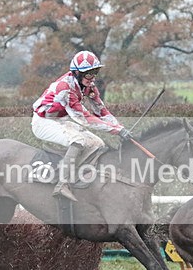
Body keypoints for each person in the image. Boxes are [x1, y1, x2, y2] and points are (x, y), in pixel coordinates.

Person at [32, 50, 132, 202]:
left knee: (98, 143)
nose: (92, 77)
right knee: (78, 141)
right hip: (43, 122)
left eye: (95, 72)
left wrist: (120, 127)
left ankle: (81, 176)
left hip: (59, 120)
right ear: (77, 73)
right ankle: (62, 184)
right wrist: (117, 131)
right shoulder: (65, 88)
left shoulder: (89, 87)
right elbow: (85, 118)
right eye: (88, 73)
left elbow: (102, 111)